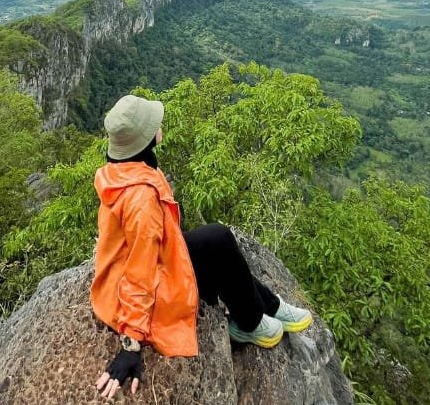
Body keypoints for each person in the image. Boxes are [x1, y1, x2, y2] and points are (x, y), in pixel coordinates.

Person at [91, 95, 313, 400]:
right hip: (146, 283)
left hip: (152, 260)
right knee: (218, 238)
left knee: (215, 244)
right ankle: (249, 323)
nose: (160, 125)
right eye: (154, 124)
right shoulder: (141, 200)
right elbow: (139, 274)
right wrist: (131, 343)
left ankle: (270, 305)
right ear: (144, 139)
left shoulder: (123, 169)